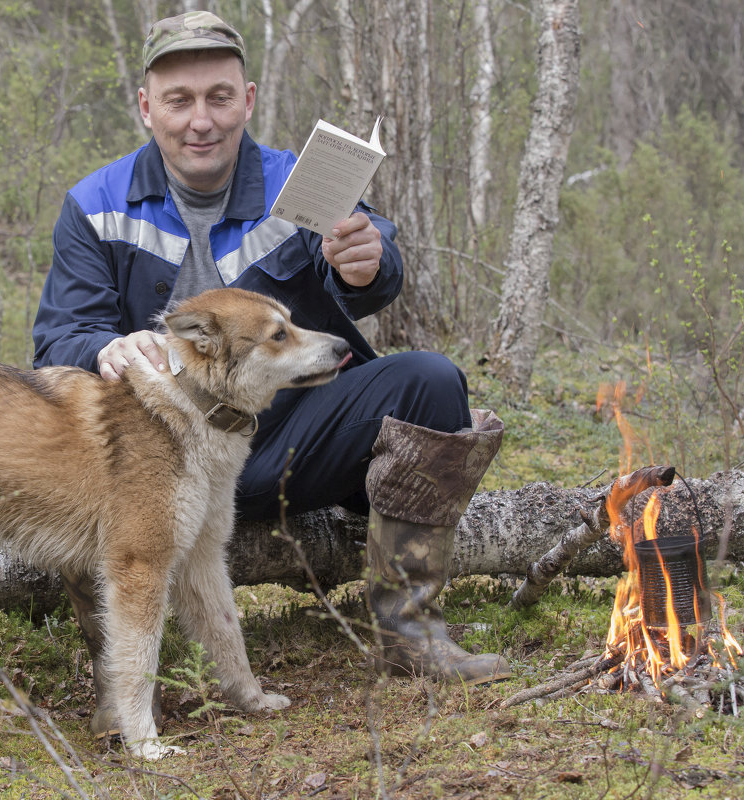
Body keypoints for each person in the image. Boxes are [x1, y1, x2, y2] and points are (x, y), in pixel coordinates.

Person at [32, 11, 509, 734]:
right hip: (165, 463)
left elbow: (369, 255)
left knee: (431, 379)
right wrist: (102, 347)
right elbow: (58, 337)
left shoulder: (299, 184)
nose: (201, 121)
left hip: (287, 440)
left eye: (219, 97)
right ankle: (125, 681)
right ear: (145, 106)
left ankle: (411, 630)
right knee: (84, 456)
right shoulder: (95, 206)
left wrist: (368, 260)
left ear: (248, 100)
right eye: (180, 100)